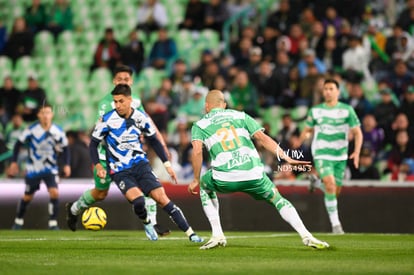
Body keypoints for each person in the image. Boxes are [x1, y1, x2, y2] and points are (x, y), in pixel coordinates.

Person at [188, 89, 329, 250]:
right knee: (278, 199)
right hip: (253, 173)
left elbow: (197, 152)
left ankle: (217, 234)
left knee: (204, 187)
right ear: (224, 105)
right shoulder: (241, 115)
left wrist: (196, 179)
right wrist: (286, 157)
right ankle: (307, 236)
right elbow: (263, 138)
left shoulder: (199, 125)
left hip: (225, 177)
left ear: (206, 106)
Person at [88, 84, 203, 243]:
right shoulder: (107, 120)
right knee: (139, 201)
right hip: (119, 170)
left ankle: (191, 234)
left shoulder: (140, 117)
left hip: (140, 165)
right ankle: (147, 223)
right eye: (115, 102)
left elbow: (154, 140)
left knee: (162, 199)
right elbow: (93, 144)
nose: (118, 105)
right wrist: (98, 164)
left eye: (121, 101)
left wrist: (167, 165)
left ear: (129, 100)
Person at [66, 65, 170, 236]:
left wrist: (161, 143)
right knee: (100, 193)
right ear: (114, 81)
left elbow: (146, 121)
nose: (123, 81)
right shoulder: (107, 103)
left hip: (129, 157)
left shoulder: (135, 100)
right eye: (120, 79)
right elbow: (103, 129)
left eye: (126, 79)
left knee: (146, 185)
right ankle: (74, 208)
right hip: (107, 155)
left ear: (132, 81)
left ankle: (153, 224)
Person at [299, 79, 363, 234]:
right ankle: (336, 226)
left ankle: (316, 184)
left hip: (340, 155)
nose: (327, 91)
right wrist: (304, 136)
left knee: (335, 190)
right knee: (330, 185)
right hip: (321, 153)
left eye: (331, 88)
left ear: (338, 92)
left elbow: (357, 133)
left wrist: (357, 152)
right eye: (325, 89)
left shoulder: (347, 110)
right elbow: (307, 130)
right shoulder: (315, 111)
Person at [8, 103, 71, 230]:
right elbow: (17, 144)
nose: (45, 116)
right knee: (27, 196)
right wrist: (14, 162)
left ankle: (53, 223)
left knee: (54, 193)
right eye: (43, 113)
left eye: (48, 113)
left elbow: (66, 149)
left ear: (52, 114)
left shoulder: (58, 131)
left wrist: (67, 164)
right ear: (38, 115)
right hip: (33, 169)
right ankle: (18, 221)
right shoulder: (31, 129)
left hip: (50, 168)